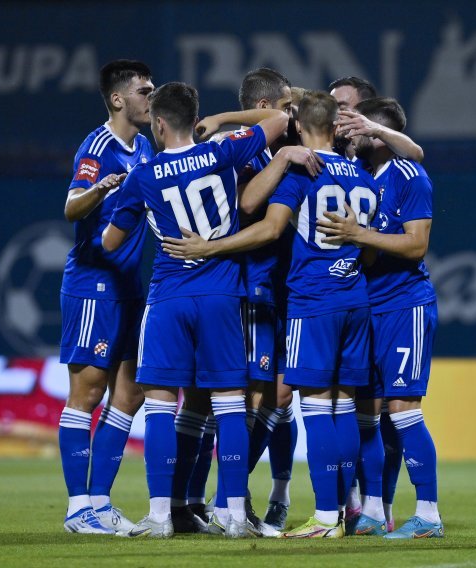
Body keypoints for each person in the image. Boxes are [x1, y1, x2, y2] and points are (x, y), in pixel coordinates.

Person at [162, 90, 379, 539]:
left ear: (298, 125)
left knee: (303, 404)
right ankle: (329, 510)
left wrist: (210, 246)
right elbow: (371, 240)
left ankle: (311, 514)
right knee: (335, 405)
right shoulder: (361, 174)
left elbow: (264, 221)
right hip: (342, 296)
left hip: (306, 298)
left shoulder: (300, 170)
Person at [101, 81, 289, 538]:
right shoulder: (224, 152)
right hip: (223, 295)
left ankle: (161, 515)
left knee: (162, 404)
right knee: (229, 404)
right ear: (194, 118)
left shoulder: (143, 176)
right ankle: (233, 514)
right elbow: (282, 119)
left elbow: (110, 242)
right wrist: (225, 122)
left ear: (159, 124)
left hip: (168, 297)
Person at [316, 97, 443, 539]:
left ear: (377, 133)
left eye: (356, 127)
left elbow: (415, 245)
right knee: (367, 414)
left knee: (403, 410)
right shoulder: (366, 181)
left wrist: (356, 233)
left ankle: (428, 514)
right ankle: (371, 509)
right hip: (369, 306)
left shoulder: (409, 174)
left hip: (405, 306)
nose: (348, 134)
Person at [59, 59, 154, 535]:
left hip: (130, 287)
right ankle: (78, 508)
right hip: (94, 285)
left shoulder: (145, 147)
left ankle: (99, 501)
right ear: (118, 99)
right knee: (88, 393)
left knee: (131, 394)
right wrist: (97, 189)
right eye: (143, 90)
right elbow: (71, 206)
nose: (150, 97)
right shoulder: (98, 148)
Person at [328, 76, 424, 164]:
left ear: (363, 108)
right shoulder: (326, 156)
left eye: (341, 108)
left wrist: (377, 130)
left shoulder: (384, 156)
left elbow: (416, 154)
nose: (332, 115)